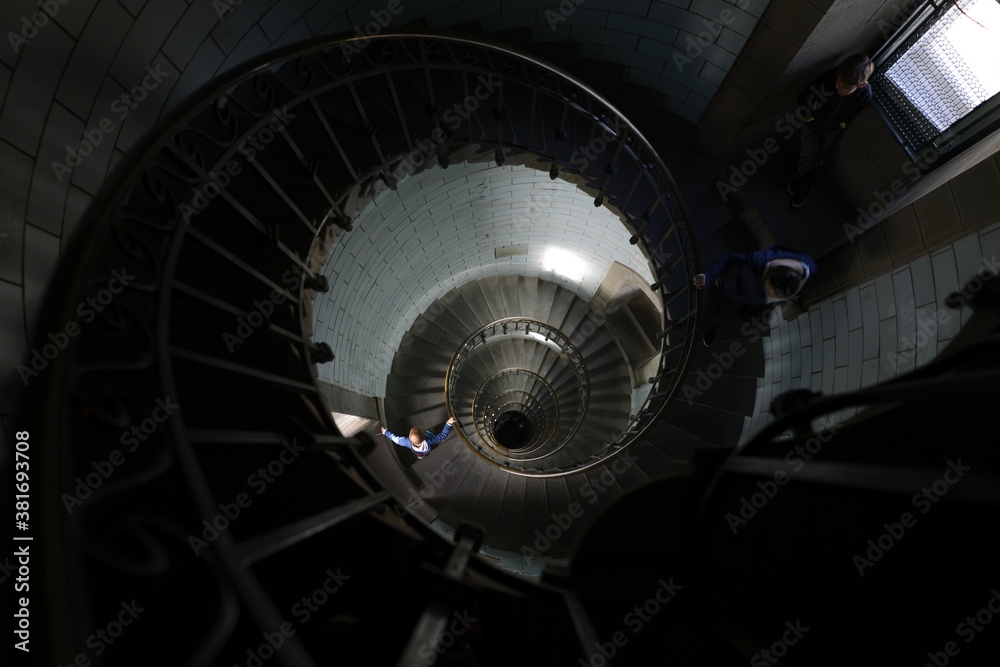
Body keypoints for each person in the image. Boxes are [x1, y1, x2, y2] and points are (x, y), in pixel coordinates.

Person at [788, 53, 875, 208]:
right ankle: (804, 181)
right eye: (839, 81)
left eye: (846, 86)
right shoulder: (830, 79)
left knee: (819, 155)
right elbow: (804, 98)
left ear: (860, 85)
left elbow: (855, 112)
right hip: (812, 124)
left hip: (832, 129)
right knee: (808, 154)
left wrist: (840, 125)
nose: (839, 86)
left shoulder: (865, 93)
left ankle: (804, 175)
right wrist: (809, 119)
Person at [693, 244, 818, 346]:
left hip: (758, 303)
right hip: (738, 292)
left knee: (749, 315)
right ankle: (714, 323)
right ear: (771, 276)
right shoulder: (759, 261)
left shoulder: (810, 270)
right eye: (771, 291)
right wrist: (708, 276)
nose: (772, 294)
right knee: (723, 311)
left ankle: (727, 285)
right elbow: (730, 257)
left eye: (775, 295)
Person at [381, 417, 457, 459]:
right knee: (431, 437)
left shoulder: (406, 442)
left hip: (416, 451)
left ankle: (420, 456)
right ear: (424, 436)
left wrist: (386, 432)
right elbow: (442, 436)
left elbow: (396, 439)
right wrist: (448, 423)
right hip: (427, 447)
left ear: (409, 437)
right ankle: (422, 453)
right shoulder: (429, 441)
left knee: (420, 454)